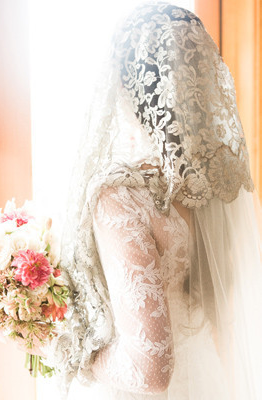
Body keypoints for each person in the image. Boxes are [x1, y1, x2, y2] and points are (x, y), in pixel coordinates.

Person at [45, 3, 262, 399]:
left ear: (124, 88)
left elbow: (149, 372)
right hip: (204, 376)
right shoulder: (219, 181)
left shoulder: (120, 196)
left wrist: (69, 350)